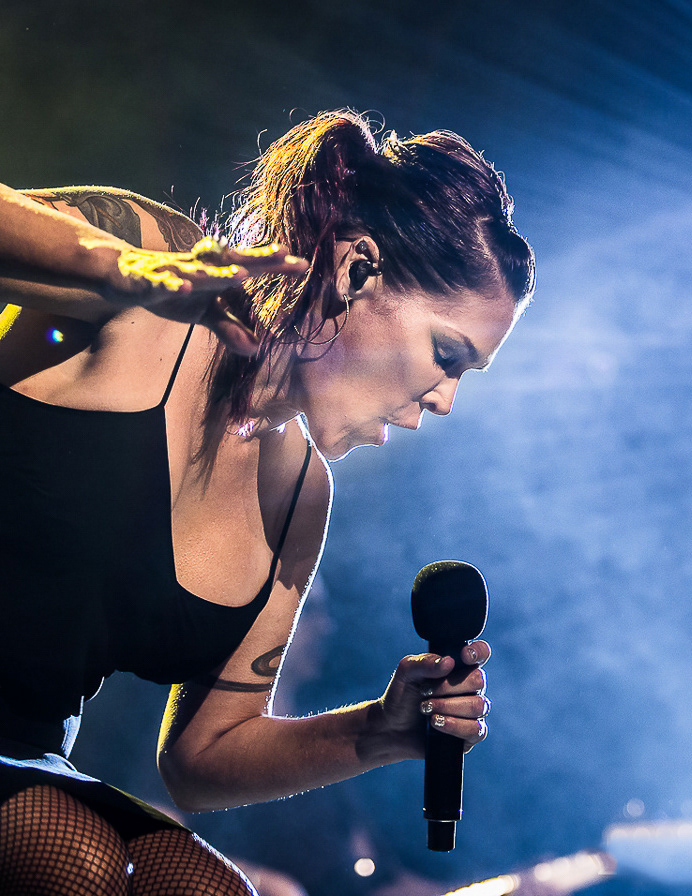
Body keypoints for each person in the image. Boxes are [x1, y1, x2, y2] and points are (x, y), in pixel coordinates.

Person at [0, 109, 535, 895]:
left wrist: (378, 730)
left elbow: (201, 760)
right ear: (356, 270)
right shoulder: (153, 265)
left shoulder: (298, 500)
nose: (445, 400)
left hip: (23, 756)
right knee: (76, 864)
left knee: (214, 889)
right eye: (446, 355)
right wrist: (115, 270)